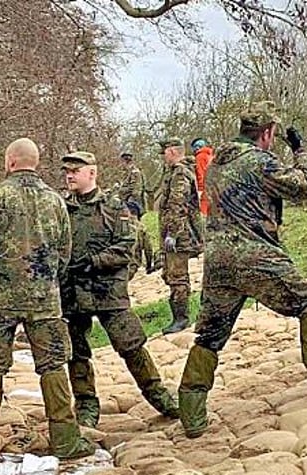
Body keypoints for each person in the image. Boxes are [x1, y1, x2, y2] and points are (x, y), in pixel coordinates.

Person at [175, 101, 307, 438]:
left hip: (218, 261)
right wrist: (300, 150)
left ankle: (191, 412)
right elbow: (305, 186)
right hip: (255, 256)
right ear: (268, 132)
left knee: (210, 335)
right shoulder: (260, 161)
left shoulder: (215, 163)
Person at [0, 138, 93, 459]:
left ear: (10, 162)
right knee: (53, 365)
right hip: (44, 298)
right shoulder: (55, 200)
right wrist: (47, 280)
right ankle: (66, 439)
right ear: (36, 162)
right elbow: (65, 252)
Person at [59, 151, 179, 427]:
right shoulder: (61, 210)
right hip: (72, 292)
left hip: (108, 292)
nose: (69, 176)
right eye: (67, 172)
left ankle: (158, 395)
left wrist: (94, 261)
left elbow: (126, 248)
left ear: (92, 173)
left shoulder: (114, 208)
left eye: (75, 171)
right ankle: (86, 405)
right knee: (76, 353)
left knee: (132, 345)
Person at [157, 137, 203, 334]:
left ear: (173, 151)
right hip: (175, 233)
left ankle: (181, 318)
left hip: (181, 234)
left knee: (177, 276)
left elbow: (178, 204)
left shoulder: (180, 173)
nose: (163, 157)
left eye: (165, 153)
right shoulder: (174, 172)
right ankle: (179, 317)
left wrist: (173, 233)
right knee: (170, 274)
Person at [191, 138, 214, 216]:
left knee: (203, 213)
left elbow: (200, 173)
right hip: (212, 187)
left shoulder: (200, 157)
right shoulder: (211, 155)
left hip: (203, 188)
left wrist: (200, 190)